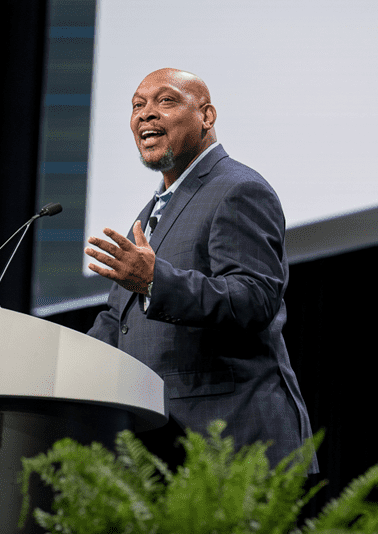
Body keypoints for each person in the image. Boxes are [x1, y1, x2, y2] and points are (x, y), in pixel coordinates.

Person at [85, 68, 318, 472]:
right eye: (137, 105)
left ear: (207, 116)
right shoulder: (155, 210)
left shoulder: (238, 189)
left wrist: (155, 281)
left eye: (166, 101)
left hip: (236, 443)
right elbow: (117, 320)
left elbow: (255, 297)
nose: (145, 114)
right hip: (166, 449)